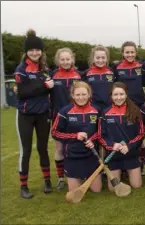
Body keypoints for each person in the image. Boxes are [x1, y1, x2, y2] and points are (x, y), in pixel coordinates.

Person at [14, 29, 54, 199]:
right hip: (25, 115)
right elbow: (22, 92)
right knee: (26, 150)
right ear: (26, 52)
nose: (35, 52)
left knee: (43, 148)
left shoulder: (44, 68)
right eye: (31, 50)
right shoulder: (21, 69)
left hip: (43, 114)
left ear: (41, 51)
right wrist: (43, 87)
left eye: (37, 50)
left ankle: (47, 181)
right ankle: (23, 186)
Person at [51, 81, 102, 193]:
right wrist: (75, 136)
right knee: (74, 191)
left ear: (89, 94)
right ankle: (77, 176)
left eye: (84, 94)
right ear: (73, 95)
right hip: (72, 156)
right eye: (78, 95)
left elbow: (102, 132)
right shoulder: (65, 111)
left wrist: (93, 139)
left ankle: (87, 176)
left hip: (91, 155)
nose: (81, 97)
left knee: (97, 190)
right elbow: (55, 132)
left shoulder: (96, 110)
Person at [98, 82, 145, 190]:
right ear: (111, 96)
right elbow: (101, 136)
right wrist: (112, 145)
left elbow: (141, 134)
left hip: (131, 153)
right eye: (115, 95)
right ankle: (120, 173)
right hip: (114, 155)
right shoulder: (105, 112)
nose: (118, 97)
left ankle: (127, 172)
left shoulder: (135, 111)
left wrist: (129, 146)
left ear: (126, 94)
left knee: (136, 185)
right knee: (112, 189)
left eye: (121, 94)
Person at [50, 47, 82, 190]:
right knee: (60, 148)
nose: (65, 61)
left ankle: (79, 173)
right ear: (58, 61)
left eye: (67, 59)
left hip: (77, 116)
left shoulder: (79, 76)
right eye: (62, 59)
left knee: (78, 145)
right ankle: (61, 177)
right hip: (58, 117)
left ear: (72, 60)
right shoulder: (52, 75)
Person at [112, 41, 145, 108]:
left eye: (132, 52)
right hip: (122, 103)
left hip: (139, 102)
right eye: (127, 52)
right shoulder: (116, 67)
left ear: (135, 52)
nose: (130, 55)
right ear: (123, 53)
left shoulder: (141, 65)